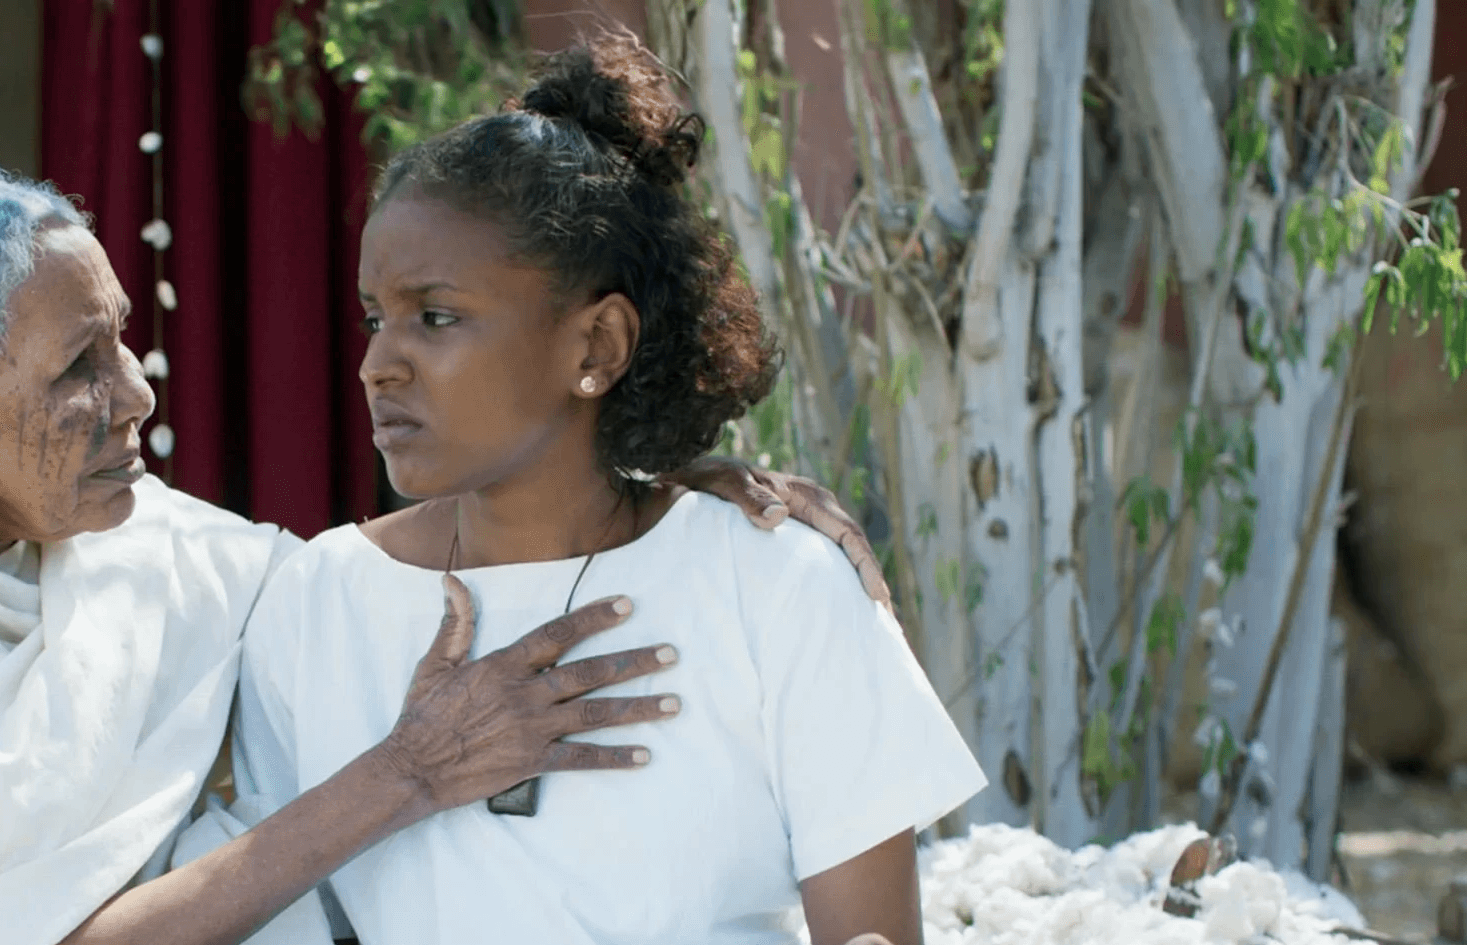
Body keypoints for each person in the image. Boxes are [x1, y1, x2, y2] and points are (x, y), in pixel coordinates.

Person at [0, 154, 891, 945]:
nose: (137, 395)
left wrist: (640, 484)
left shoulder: (141, 562)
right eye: (76, 368)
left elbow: (353, 567)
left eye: (123, 339)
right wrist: (408, 773)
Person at [224, 36, 988, 945]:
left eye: (436, 316)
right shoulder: (315, 606)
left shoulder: (775, 583)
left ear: (598, 345)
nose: (378, 364)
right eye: (373, 318)